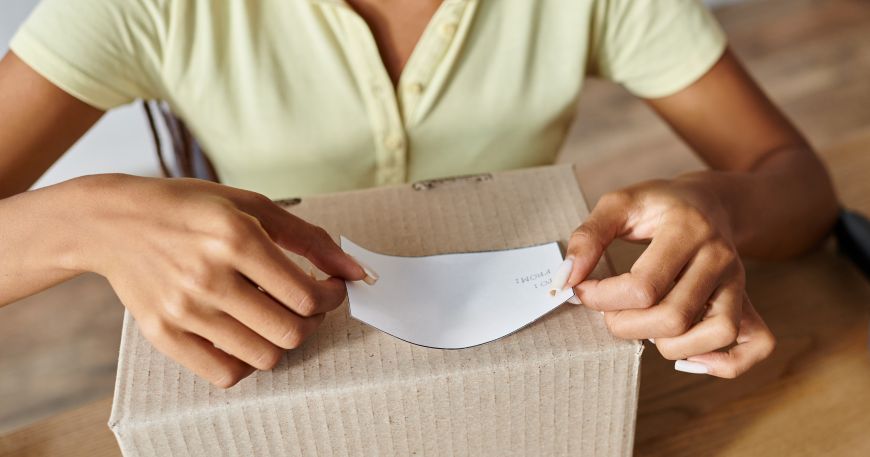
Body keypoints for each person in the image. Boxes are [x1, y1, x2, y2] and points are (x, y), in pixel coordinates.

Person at [0, 0, 838, 387]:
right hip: (286, 365)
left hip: (526, 366)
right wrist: (81, 218)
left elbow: (796, 182)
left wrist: (717, 204)